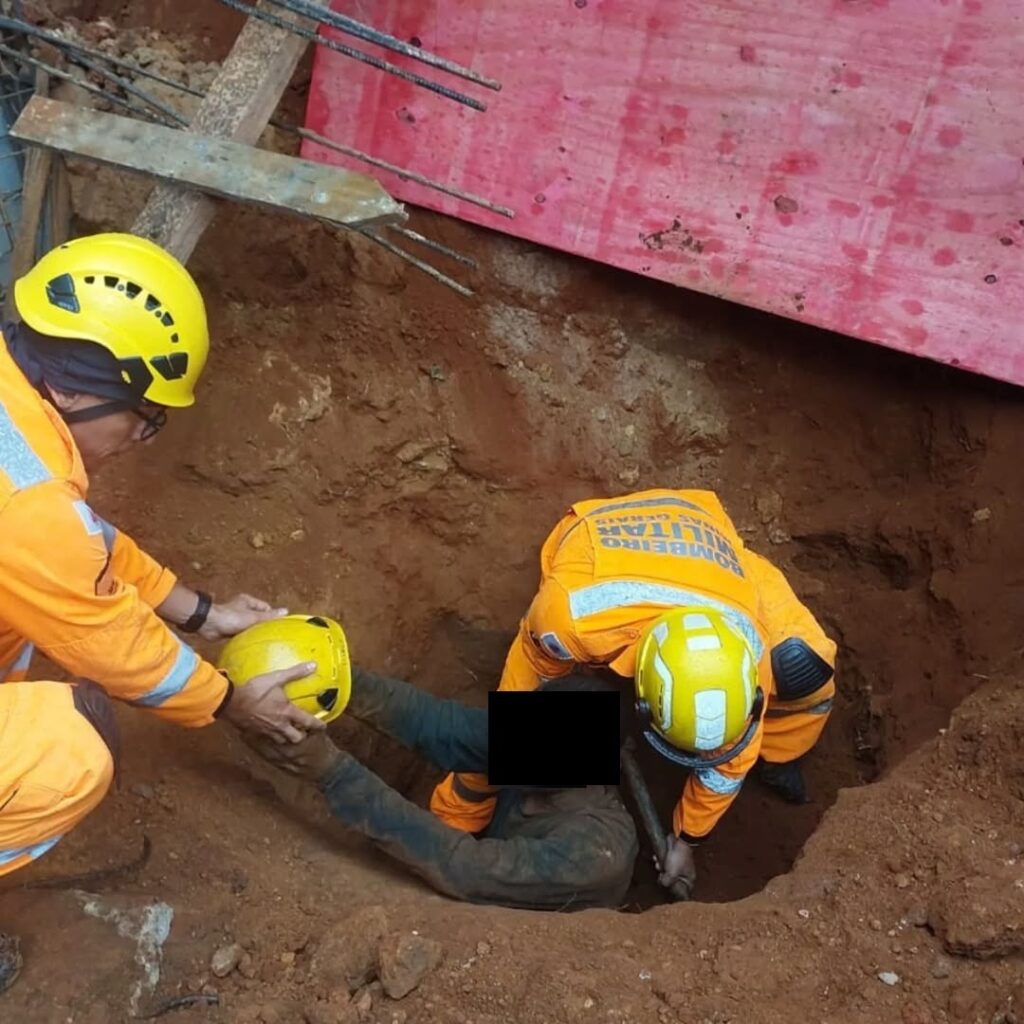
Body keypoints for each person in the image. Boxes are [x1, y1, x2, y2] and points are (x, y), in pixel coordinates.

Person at [0, 234, 323, 993]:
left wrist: (201, 612)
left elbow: (79, 545)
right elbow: (109, 639)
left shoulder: (16, 427)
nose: (144, 438)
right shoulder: (30, 503)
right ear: (77, 392)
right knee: (67, 751)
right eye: (144, 416)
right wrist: (230, 702)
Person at [430, 489, 837, 897]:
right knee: (519, 736)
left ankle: (782, 756)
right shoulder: (569, 620)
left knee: (809, 663)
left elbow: (728, 766)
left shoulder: (749, 656)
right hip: (598, 545)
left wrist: (686, 840)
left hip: (709, 538)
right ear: (640, 697)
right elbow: (509, 720)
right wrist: (458, 819)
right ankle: (455, 812)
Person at [248, 666, 639, 911]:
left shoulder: (594, 851)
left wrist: (332, 771)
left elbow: (464, 867)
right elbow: (437, 725)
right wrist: (338, 681)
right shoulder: (554, 743)